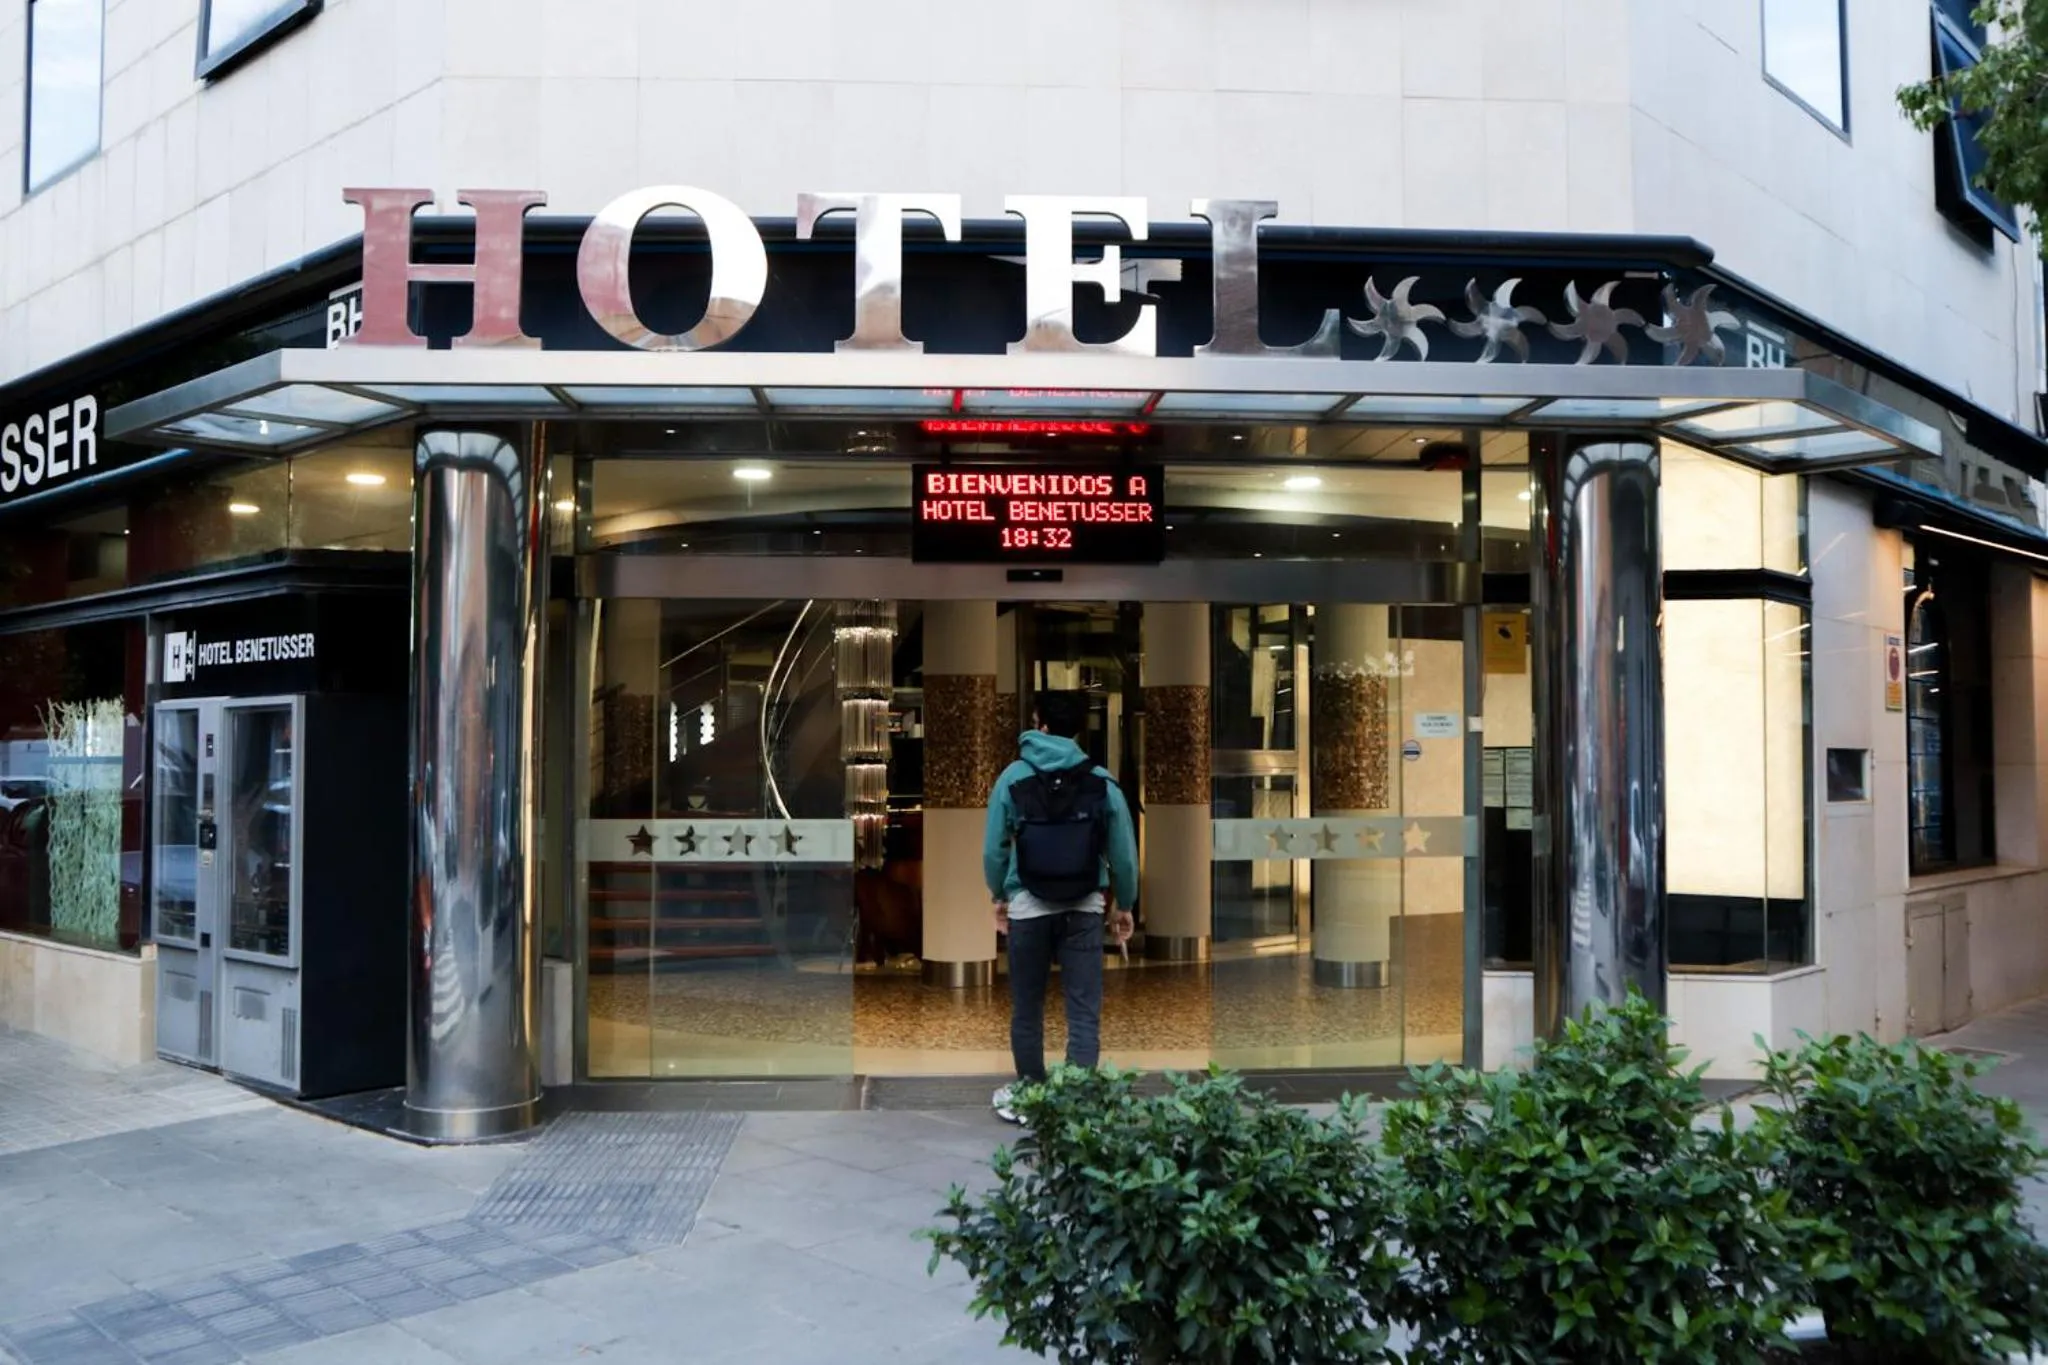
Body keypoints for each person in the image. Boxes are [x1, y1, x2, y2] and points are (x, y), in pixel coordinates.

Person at [982, 690, 1138, 1123]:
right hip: (1084, 907)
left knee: (1027, 1006)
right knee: (1083, 1007)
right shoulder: (1101, 781)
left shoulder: (1013, 777)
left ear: (1039, 722)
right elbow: (1123, 852)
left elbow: (994, 848)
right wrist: (1123, 904)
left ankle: (1031, 1092)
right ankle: (1077, 1098)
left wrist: (1000, 895)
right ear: (1078, 729)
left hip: (1028, 906)